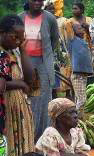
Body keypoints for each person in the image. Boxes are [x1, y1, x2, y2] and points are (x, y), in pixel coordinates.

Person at [0, 15, 35, 156]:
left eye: (22, 37)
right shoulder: (1, 54)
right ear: (2, 33)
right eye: (15, 36)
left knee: (22, 144)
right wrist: (18, 83)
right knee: (8, 148)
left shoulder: (15, 51)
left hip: (20, 108)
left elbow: (30, 79)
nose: (18, 40)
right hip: (5, 107)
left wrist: (22, 48)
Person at [19, 0, 60, 142]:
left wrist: (46, 56)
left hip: (43, 64)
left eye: (39, 0)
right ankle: (26, 136)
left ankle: (42, 139)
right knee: (24, 98)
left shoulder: (49, 18)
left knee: (43, 101)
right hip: (23, 63)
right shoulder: (20, 17)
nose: (37, 2)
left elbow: (55, 40)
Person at [66, 24, 94, 116]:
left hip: (83, 74)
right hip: (77, 75)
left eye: (82, 27)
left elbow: (91, 41)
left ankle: (79, 119)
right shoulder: (72, 41)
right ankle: (73, 116)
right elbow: (68, 27)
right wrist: (74, 22)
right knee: (82, 99)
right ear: (73, 31)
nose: (81, 29)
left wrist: (86, 29)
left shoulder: (84, 41)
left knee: (79, 98)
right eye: (79, 28)